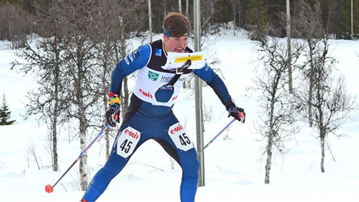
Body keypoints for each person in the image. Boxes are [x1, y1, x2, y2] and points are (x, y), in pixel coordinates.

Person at [80, 12, 245, 202]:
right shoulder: (147, 53)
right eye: (176, 39)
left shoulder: (189, 58)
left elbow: (213, 79)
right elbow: (119, 71)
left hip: (166, 120)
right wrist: (114, 104)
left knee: (192, 166)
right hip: (138, 120)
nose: (182, 45)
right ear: (164, 37)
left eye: (185, 38)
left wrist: (230, 106)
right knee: (112, 167)